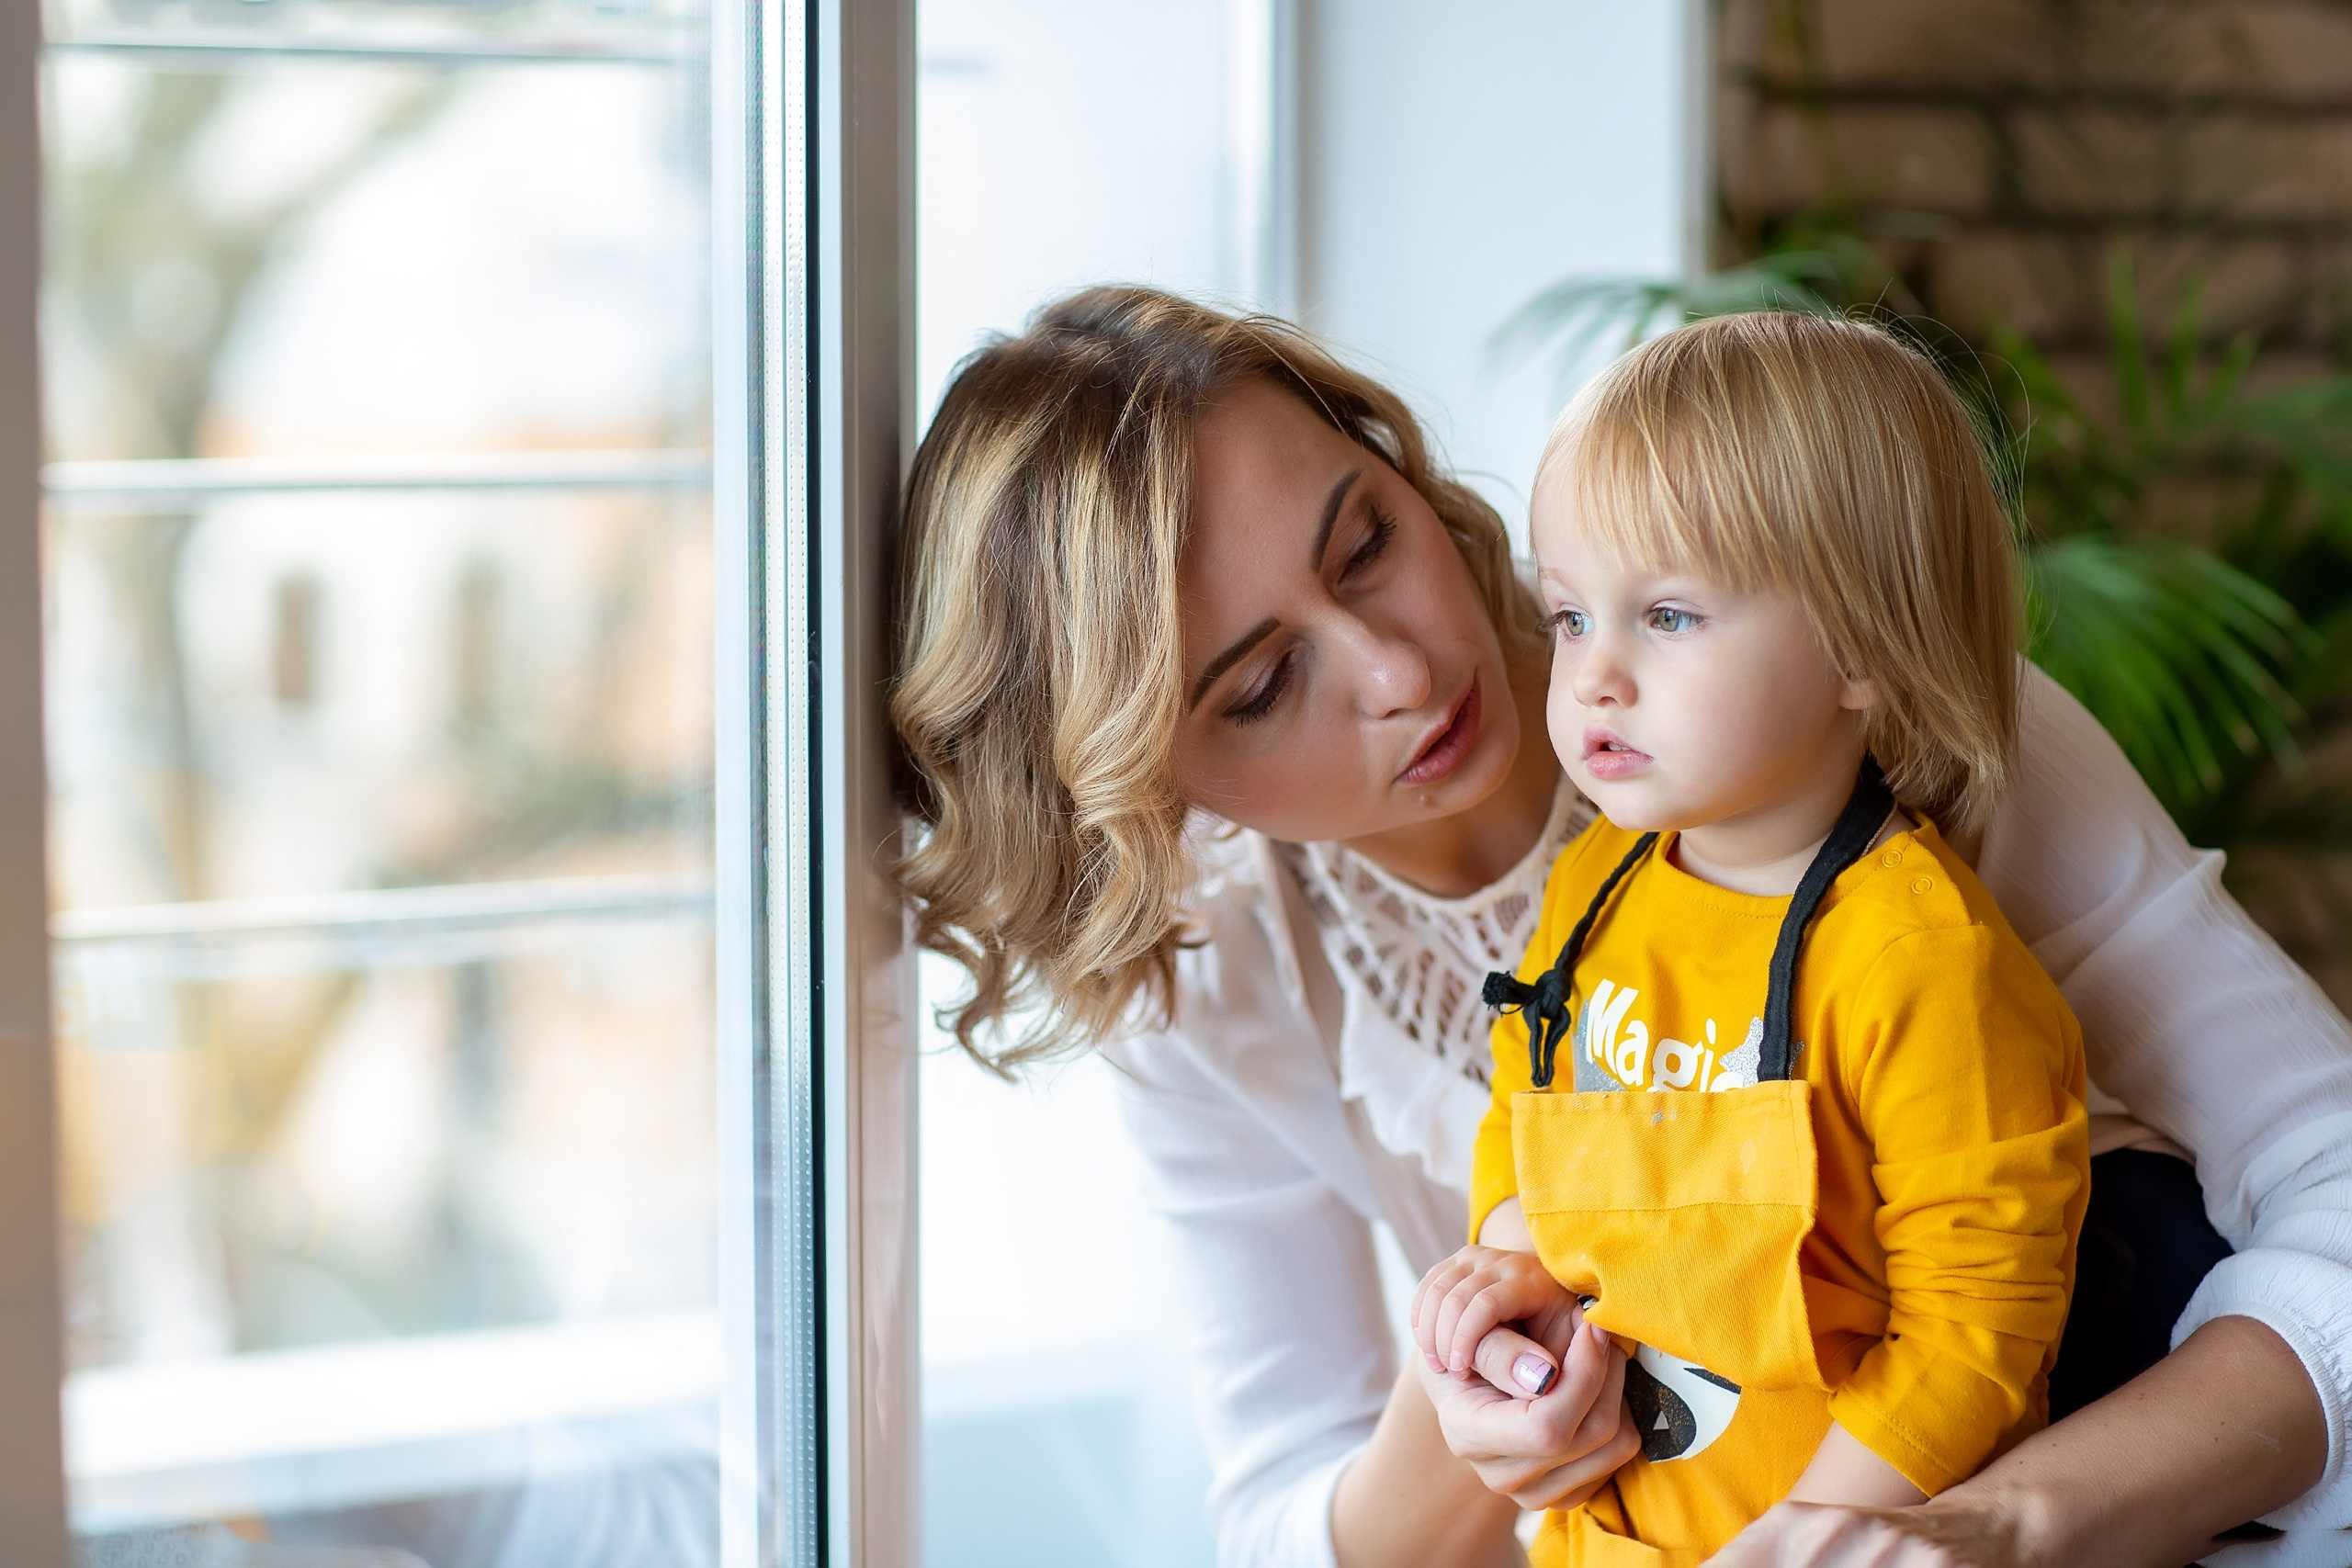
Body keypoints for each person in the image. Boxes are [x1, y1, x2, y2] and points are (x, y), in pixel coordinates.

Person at [889, 286, 2346, 1568]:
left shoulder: (1875, 715)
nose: (1399, 668)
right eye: (1261, 689)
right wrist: (1476, 1411)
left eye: (1365, 543)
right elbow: (1281, 1524)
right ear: (1138, 778)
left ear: (1395, 460)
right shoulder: (1209, 979)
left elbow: (2334, 1186)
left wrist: (2010, 1526)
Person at [1412, 313, 2088, 1564]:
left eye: (1666, 617)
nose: (1594, 676)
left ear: (1863, 646)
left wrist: (1804, 1543)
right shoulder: (1595, 887)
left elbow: (1976, 1333)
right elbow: (1527, 1100)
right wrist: (1502, 1256)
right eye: (1570, 617)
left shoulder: (1919, 958)